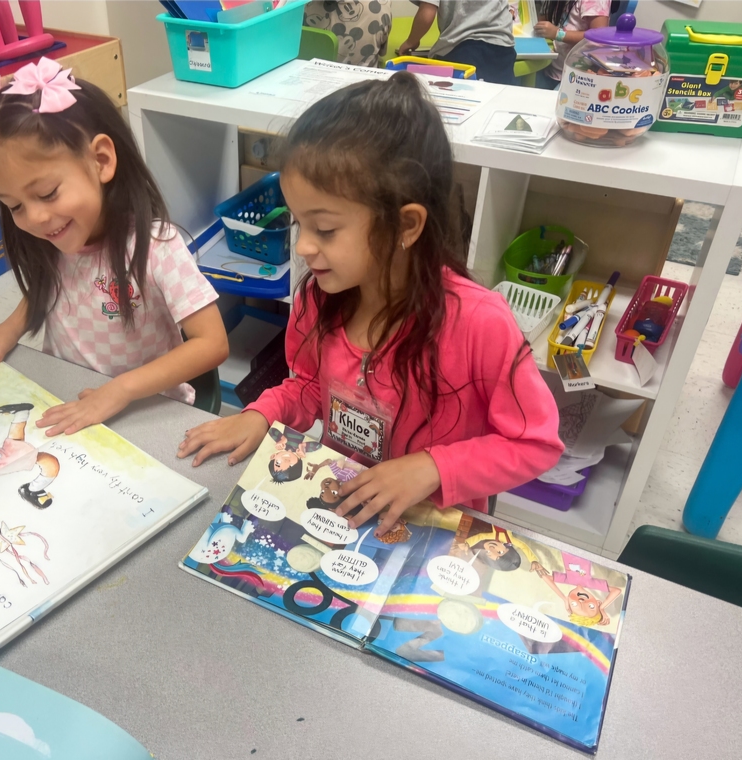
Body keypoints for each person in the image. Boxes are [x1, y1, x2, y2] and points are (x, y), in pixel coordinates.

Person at [178, 73, 563, 538]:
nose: (303, 249)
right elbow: (306, 387)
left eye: (325, 229)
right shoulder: (321, 298)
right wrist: (263, 413)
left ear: (406, 225)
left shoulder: (480, 324)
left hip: (432, 529)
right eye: (300, 224)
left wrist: (431, 467)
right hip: (346, 509)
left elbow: (535, 444)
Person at [0, 58, 228, 436]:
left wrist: (121, 390)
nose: (35, 219)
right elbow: (51, 286)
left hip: (146, 412)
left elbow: (212, 344)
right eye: (14, 206)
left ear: (101, 160)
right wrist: (11, 327)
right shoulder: (57, 237)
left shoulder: (156, 246)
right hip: (68, 399)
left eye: (47, 193)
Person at [397, 0, 516, 85]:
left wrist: (411, 41)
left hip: (461, 47)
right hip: (502, 47)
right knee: (497, 109)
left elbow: (427, 12)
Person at [534, 0, 611, 89]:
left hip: (578, 76)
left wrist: (558, 34)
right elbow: (544, 19)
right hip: (550, 68)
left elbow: (599, 38)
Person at [303, 1, 393, 68]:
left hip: (306, 80)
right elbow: (382, 52)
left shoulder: (297, 6)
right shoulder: (380, 7)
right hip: (363, 87)